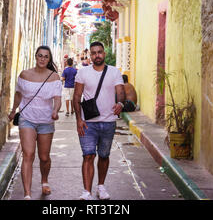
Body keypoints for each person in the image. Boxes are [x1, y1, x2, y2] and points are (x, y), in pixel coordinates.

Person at [73, 41, 125, 201]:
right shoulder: (83, 73)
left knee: (104, 155)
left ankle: (101, 186)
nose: (97, 55)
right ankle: (86, 192)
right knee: (88, 156)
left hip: (108, 121)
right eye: (94, 53)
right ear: (90, 55)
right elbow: (76, 96)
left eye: (100, 52)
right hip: (88, 122)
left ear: (104, 54)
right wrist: (78, 119)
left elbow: (121, 92)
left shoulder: (114, 72)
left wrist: (121, 103)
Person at [8, 45, 62, 199]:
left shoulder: (54, 77)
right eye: (40, 55)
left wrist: (55, 111)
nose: (42, 59)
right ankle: (27, 194)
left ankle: (44, 181)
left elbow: (57, 98)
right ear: (35, 57)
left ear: (49, 59)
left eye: (46, 56)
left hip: (46, 120)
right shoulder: (24, 75)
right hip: (27, 119)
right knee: (28, 154)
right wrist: (13, 110)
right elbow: (18, 95)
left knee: (44, 157)